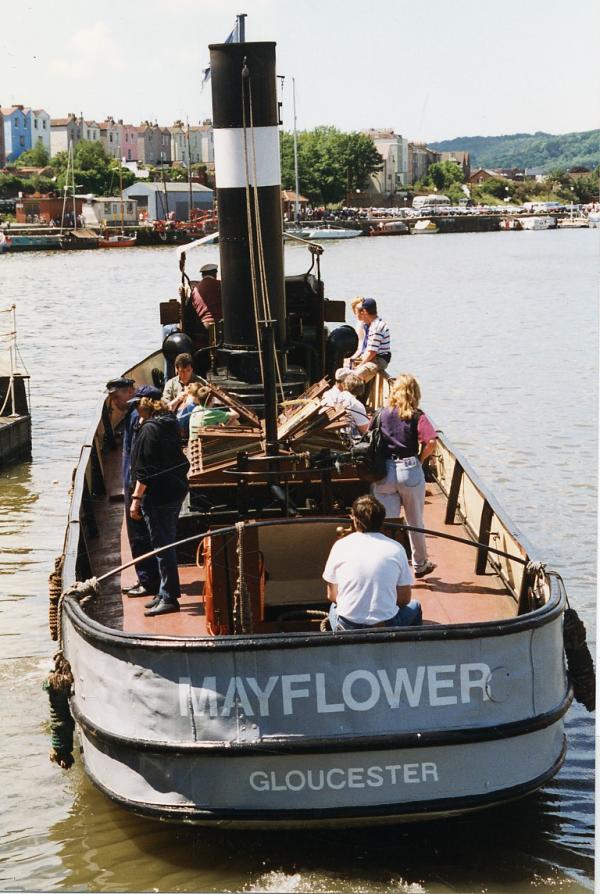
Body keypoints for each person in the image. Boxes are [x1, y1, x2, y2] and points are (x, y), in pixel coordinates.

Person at [323, 494, 421, 632]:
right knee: (415, 606)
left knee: (334, 607)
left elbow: (332, 596)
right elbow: (404, 599)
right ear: (382, 520)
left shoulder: (340, 546)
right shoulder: (396, 548)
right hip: (386, 625)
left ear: (354, 520)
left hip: (348, 626)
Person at [372, 374, 438, 578]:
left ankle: (384, 567)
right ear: (414, 392)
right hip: (409, 469)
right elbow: (432, 442)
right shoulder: (418, 416)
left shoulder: (381, 414)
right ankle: (420, 565)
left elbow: (370, 436)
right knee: (414, 521)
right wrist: (420, 459)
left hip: (384, 472)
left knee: (385, 522)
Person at [130, 397, 190, 617]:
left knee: (163, 547)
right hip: (175, 491)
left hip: (159, 497)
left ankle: (169, 597)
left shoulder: (148, 430)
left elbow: (145, 470)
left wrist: (136, 500)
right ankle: (164, 590)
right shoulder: (170, 423)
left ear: (142, 408)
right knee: (167, 541)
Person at [121, 385, 162, 598]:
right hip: (133, 483)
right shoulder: (138, 419)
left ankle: (148, 581)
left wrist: (136, 494)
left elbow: (141, 461)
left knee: (140, 536)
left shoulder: (144, 425)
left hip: (138, 485)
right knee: (140, 535)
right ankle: (146, 578)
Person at [352, 297, 391, 382]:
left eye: (362, 311)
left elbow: (372, 352)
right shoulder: (372, 324)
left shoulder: (376, 327)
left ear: (365, 312)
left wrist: (361, 365)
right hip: (374, 357)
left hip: (380, 359)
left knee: (355, 375)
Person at [190, 263, 222, 330]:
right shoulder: (220, 285)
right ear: (215, 273)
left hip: (204, 326)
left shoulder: (195, 290)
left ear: (202, 275)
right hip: (219, 324)